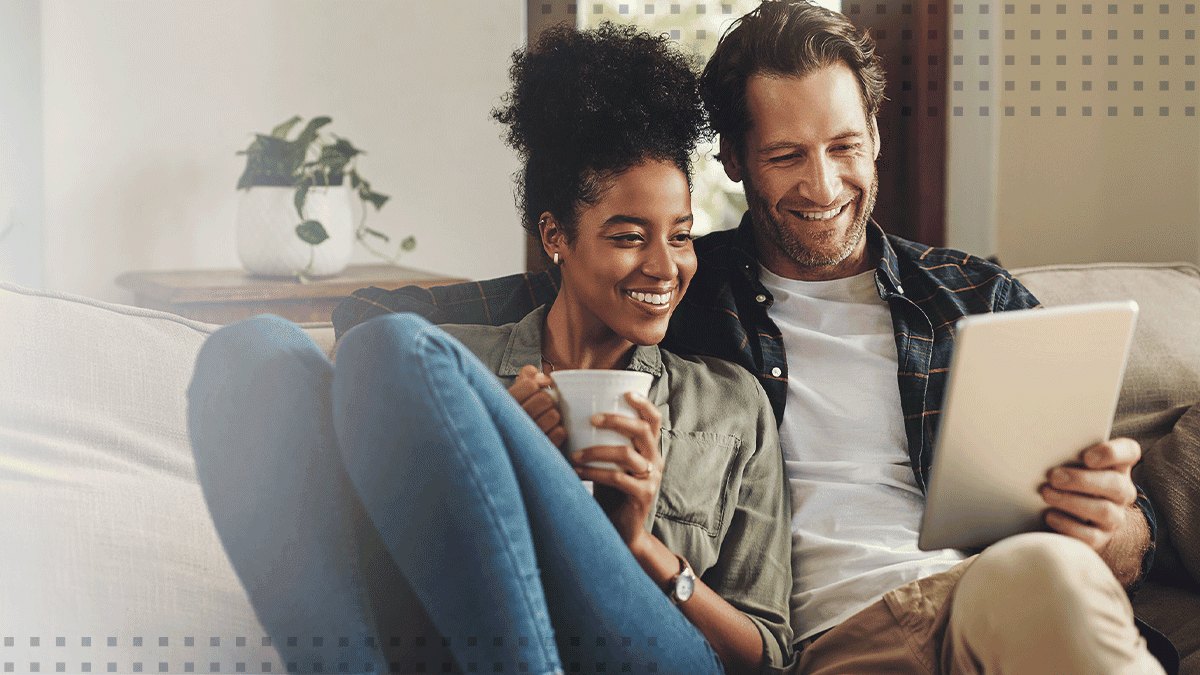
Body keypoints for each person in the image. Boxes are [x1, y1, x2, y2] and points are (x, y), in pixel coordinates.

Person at [331, 2, 1176, 674]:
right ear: (734, 160)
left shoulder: (977, 298)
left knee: (1051, 571)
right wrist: (484, 397)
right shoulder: (682, 289)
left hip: (996, 599)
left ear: (876, 134)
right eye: (786, 156)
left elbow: (1122, 539)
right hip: (841, 642)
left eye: (845, 146)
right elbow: (395, 329)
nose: (823, 184)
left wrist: (1112, 528)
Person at [189, 22, 792, 675]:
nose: (665, 266)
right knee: (248, 354)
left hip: (649, 654)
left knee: (393, 346)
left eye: (680, 236)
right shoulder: (451, 371)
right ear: (556, 235)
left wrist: (641, 547)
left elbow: (768, 654)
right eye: (628, 237)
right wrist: (493, 457)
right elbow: (372, 557)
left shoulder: (731, 405)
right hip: (457, 646)